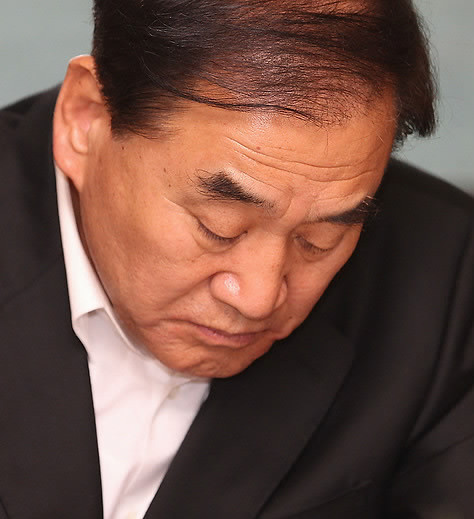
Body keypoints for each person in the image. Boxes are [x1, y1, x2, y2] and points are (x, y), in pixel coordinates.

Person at [0, 0, 473, 517]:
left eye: (319, 240)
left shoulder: (448, 281)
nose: (258, 299)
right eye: (219, 228)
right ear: (86, 118)